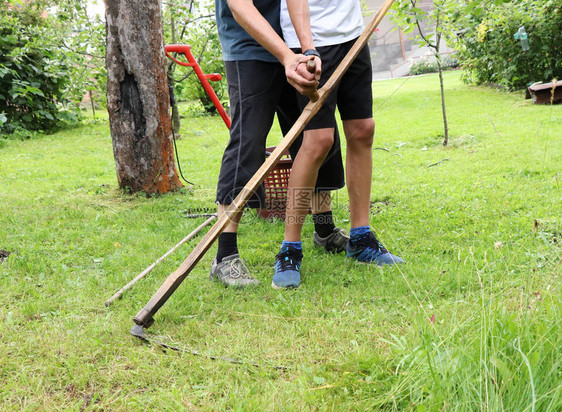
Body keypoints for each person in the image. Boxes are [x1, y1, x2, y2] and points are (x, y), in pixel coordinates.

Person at [211, 0, 349, 288]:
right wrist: (287, 56)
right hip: (248, 50)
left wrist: (304, 50)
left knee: (314, 136)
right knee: (247, 139)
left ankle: (324, 229)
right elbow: (240, 7)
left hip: (294, 45)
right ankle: (225, 255)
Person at [272, 0, 404, 289]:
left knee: (363, 130)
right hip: (311, 43)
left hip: (353, 35)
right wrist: (308, 48)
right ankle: (289, 249)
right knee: (318, 139)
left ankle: (361, 238)